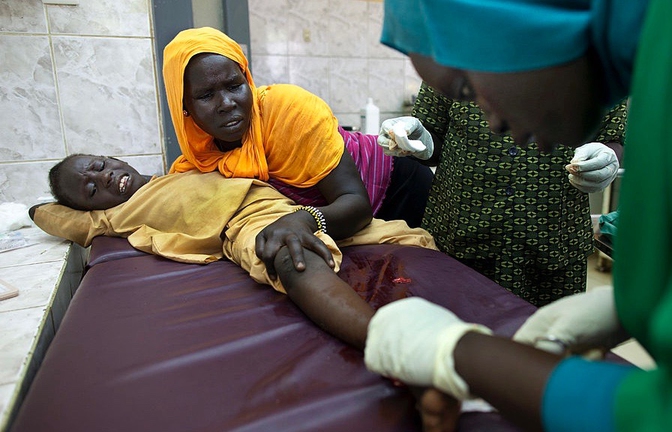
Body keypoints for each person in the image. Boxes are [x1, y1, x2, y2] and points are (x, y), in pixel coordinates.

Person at [363, 1, 672, 432]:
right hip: (461, 228)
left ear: (524, 22)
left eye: (466, 86)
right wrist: (636, 304)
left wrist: (459, 355)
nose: (489, 120)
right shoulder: (665, 48)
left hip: (550, 236)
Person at [32, 154, 436, 350]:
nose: (104, 177)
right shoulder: (115, 217)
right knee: (288, 255)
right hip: (240, 225)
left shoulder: (175, 171)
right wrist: (46, 205)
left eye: (100, 164)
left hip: (284, 208)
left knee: (404, 235)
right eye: (90, 189)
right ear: (89, 208)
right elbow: (46, 214)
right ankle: (393, 345)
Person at [161, 27, 434, 283]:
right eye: (206, 95)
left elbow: (355, 205)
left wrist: (303, 219)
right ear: (184, 106)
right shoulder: (199, 156)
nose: (227, 103)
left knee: (425, 278)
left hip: (399, 186)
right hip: (336, 212)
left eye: (234, 85)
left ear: (247, 79)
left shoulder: (289, 112)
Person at [379, 83, 627, 306]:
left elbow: (614, 136)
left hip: (552, 241)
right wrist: (417, 140)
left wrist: (608, 157)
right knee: (454, 344)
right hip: (457, 238)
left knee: (544, 348)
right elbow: (432, 135)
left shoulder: (593, 53)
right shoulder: (455, 46)